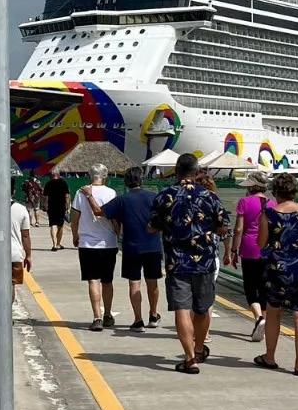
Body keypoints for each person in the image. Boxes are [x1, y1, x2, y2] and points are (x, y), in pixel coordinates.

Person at [148, 152, 230, 374]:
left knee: (182, 309)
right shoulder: (210, 196)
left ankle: (189, 358)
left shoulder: (165, 196)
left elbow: (152, 226)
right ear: (197, 172)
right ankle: (199, 348)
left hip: (176, 262)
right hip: (205, 261)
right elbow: (223, 227)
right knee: (202, 309)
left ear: (176, 171)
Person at [253, 172, 298, 376]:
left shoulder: (268, 214)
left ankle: (270, 357)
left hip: (278, 267)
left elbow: (261, 243)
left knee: (274, 311)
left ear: (275, 192)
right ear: (295, 191)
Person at [90, 166, 162, 330]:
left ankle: (138, 320)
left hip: (131, 247)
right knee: (152, 282)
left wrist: (89, 195)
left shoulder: (122, 200)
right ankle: (153, 315)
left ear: (126, 182)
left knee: (134, 283)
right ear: (141, 180)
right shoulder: (154, 197)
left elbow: (99, 212)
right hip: (153, 246)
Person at [71, 163, 119, 331]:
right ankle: (108, 314)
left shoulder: (80, 193)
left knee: (93, 280)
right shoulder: (111, 193)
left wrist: (75, 235)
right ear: (105, 176)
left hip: (87, 243)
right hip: (108, 242)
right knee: (107, 281)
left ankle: (97, 317)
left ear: (89, 175)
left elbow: (74, 217)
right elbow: (115, 218)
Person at [228, 171, 271, 342]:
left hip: (249, 247)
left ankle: (259, 318)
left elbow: (239, 229)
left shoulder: (244, 202)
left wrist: (233, 250)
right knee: (264, 287)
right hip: (267, 248)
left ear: (252, 187)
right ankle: (264, 323)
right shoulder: (272, 203)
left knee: (250, 286)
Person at [0, 175, 34, 285]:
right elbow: (25, 236)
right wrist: (28, 255)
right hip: (15, 254)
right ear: (13, 191)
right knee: (13, 285)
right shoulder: (21, 209)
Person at [45, 169, 70, 250]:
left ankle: (54, 244)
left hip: (51, 206)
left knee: (52, 225)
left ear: (51, 175)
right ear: (58, 175)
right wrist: (67, 206)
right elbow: (67, 196)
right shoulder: (63, 182)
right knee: (60, 225)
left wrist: (46, 206)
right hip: (61, 206)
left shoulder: (48, 183)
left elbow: (46, 197)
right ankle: (58, 244)